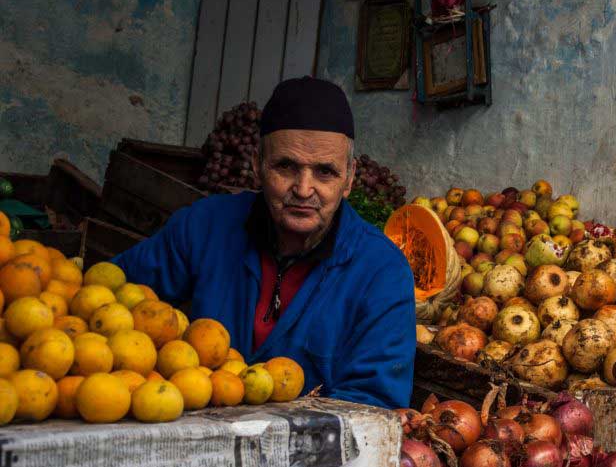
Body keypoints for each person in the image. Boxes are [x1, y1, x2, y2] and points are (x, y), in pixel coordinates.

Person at [115, 77, 416, 408]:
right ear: (257, 166)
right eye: (285, 166)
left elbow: (373, 404)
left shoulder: (382, 272)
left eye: (325, 172)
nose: (303, 189)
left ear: (349, 178)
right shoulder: (204, 226)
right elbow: (116, 299)